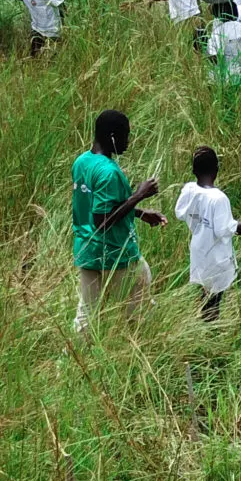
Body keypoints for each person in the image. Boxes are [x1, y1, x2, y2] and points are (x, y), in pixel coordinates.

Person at [71, 109, 164, 331]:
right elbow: (103, 221)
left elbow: (100, 206)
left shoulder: (82, 162)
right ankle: (143, 354)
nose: (128, 142)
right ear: (112, 136)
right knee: (139, 314)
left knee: (87, 316)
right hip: (116, 254)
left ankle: (70, 360)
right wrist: (139, 194)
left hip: (87, 251)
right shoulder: (109, 172)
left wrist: (139, 212)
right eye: (125, 135)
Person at [174, 145, 241, 322]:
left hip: (198, 250)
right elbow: (222, 229)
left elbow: (181, 212)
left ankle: (206, 323)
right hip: (216, 255)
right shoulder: (219, 198)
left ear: (193, 170)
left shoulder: (190, 190)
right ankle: (211, 327)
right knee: (215, 297)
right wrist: (237, 227)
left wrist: (199, 220)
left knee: (204, 291)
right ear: (217, 169)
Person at [205, 0, 241, 82]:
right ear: (236, 13)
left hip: (225, 78)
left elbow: (212, 57)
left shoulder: (217, 32)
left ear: (219, 15)